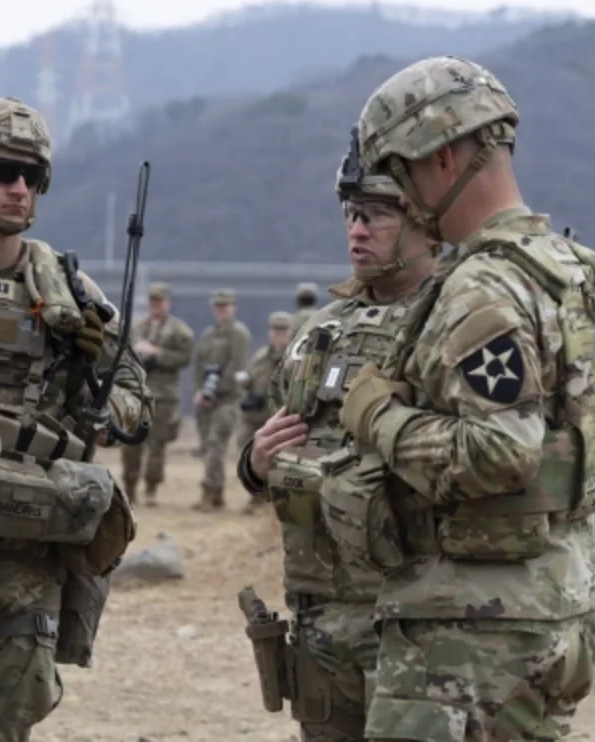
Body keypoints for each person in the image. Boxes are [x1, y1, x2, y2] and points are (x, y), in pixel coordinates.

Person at [327, 55, 595, 741]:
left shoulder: (484, 287)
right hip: (558, 603)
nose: (402, 198)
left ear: (441, 156)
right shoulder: (568, 272)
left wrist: (377, 415)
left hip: (472, 632)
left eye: (401, 174)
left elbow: (499, 453)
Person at [0, 96, 149, 742]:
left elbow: (133, 391)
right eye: (1, 171)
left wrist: (100, 406)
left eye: (32, 176)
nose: (18, 188)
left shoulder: (67, 288)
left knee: (5, 723)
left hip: (30, 545)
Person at [236, 142, 442, 741]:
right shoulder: (319, 330)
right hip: (320, 610)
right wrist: (255, 463)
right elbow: (278, 447)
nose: (357, 229)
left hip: (413, 614)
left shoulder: (452, 323)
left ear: (426, 224)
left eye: (376, 215)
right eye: (351, 214)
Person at [122, 281, 194, 506]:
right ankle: (130, 487)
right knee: (131, 442)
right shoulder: (137, 328)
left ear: (167, 303)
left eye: (160, 302)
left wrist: (157, 353)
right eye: (153, 301)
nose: (156, 306)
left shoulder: (179, 331)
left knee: (157, 444)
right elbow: (123, 354)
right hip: (136, 393)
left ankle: (151, 488)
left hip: (163, 395)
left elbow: (184, 358)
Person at [191, 287, 250, 510]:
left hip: (228, 399)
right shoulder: (208, 334)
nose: (221, 310)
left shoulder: (239, 334)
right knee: (207, 446)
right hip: (205, 399)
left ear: (233, 307)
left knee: (216, 442)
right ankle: (217, 494)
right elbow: (198, 364)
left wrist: (214, 390)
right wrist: (199, 390)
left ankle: (209, 490)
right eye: (218, 306)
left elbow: (237, 366)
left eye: (225, 306)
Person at [234, 310, 293, 511]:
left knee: (278, 458)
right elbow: (251, 378)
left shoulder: (294, 357)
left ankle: (274, 498)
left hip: (278, 417)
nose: (279, 334)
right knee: (248, 451)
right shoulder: (260, 356)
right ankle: (257, 495)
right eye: (276, 330)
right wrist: (246, 385)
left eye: (283, 330)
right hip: (255, 416)